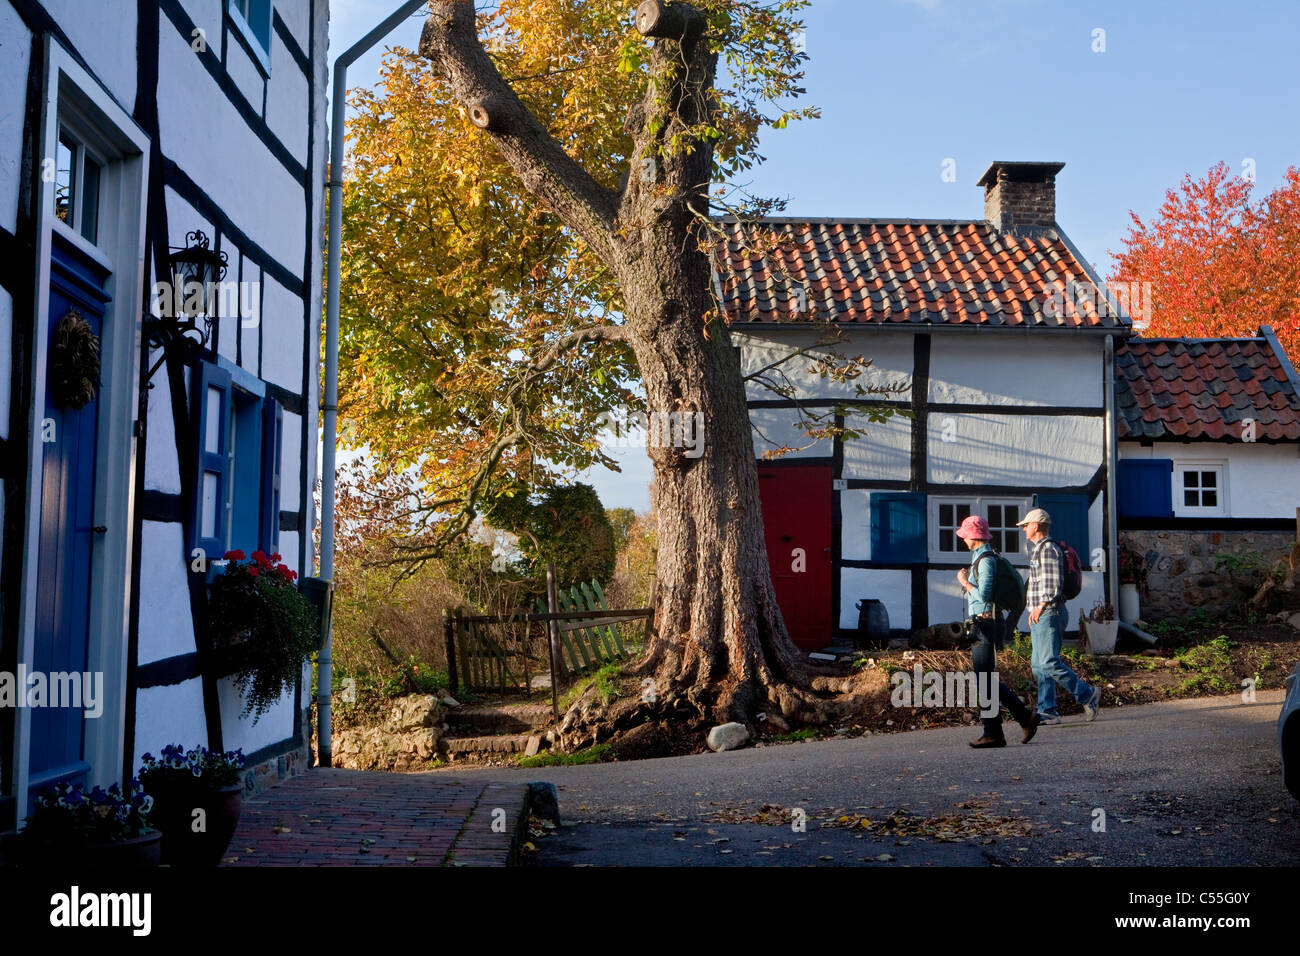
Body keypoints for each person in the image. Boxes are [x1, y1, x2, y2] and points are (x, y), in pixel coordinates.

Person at [954, 515, 1039, 748]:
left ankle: (1005, 726)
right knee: (985, 680)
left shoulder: (986, 561)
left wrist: (964, 582)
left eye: (964, 535)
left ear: (973, 536)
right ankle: (1009, 724)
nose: (962, 539)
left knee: (985, 680)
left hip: (986, 625)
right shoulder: (980, 558)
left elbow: (985, 595)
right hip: (982, 625)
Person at [1017, 507, 1101, 723]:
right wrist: (1034, 608)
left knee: (1049, 661)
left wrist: (1040, 606)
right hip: (1042, 613)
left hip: (1049, 612)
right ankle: (1048, 710)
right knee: (1039, 664)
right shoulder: (1039, 549)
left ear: (1036, 526)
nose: (1024, 529)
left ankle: (1086, 694)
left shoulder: (1047, 550)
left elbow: (1053, 584)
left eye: (1026, 525)